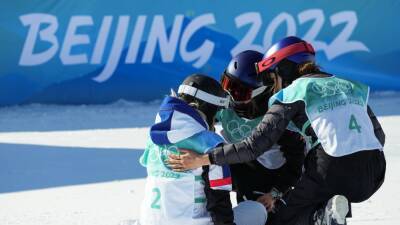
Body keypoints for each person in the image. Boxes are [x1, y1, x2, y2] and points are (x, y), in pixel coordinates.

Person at [168, 37, 386, 225]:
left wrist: (204, 159)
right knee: (318, 201)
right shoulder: (350, 84)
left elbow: (255, 147)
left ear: (282, 70)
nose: (232, 98)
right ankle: (324, 213)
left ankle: (320, 216)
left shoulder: (289, 95)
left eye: (273, 78)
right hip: (374, 172)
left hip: (318, 168)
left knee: (282, 218)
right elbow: (379, 136)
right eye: (228, 87)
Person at [139, 74, 267, 225]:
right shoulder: (210, 144)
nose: (216, 119)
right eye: (216, 111)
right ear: (206, 108)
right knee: (256, 210)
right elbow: (219, 202)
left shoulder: (154, 137)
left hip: (148, 221)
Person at [216, 50, 305, 218]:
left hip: (275, 180)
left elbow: (297, 162)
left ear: (262, 91)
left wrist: (276, 193)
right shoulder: (225, 105)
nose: (231, 97)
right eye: (227, 85)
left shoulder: (279, 116)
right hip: (241, 172)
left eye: (239, 92)